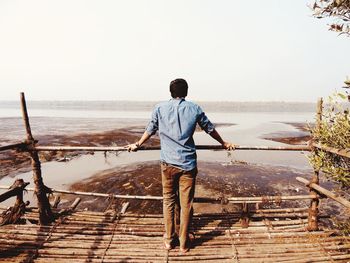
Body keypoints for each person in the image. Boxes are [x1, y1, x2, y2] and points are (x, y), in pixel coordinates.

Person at [126, 78, 235, 253]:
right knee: (186, 205)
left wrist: (137, 144)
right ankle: (184, 243)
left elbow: (150, 129)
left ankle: (169, 240)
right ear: (186, 92)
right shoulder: (194, 108)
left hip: (168, 164)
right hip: (187, 164)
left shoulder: (159, 108)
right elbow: (209, 128)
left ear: (170, 92)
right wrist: (223, 142)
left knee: (168, 201)